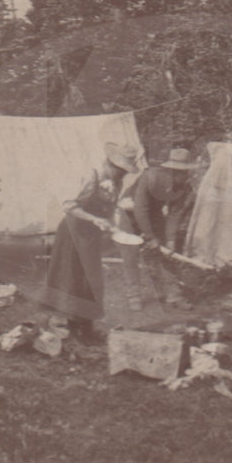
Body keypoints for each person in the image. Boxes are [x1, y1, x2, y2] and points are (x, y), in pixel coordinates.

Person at [40, 142, 138, 340]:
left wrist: (111, 225)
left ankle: (84, 324)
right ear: (109, 164)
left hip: (90, 236)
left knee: (90, 280)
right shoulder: (92, 177)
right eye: (120, 170)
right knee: (71, 278)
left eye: (125, 171)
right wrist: (94, 219)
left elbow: (109, 209)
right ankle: (69, 325)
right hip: (73, 232)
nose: (122, 175)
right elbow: (69, 206)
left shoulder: (116, 184)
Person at [120, 147, 197, 308]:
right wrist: (150, 236)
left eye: (186, 172)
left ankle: (173, 294)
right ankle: (133, 295)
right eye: (180, 172)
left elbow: (174, 215)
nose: (185, 175)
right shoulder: (150, 177)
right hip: (129, 213)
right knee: (131, 254)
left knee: (168, 255)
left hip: (153, 214)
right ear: (171, 171)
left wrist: (170, 240)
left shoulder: (184, 188)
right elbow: (140, 208)